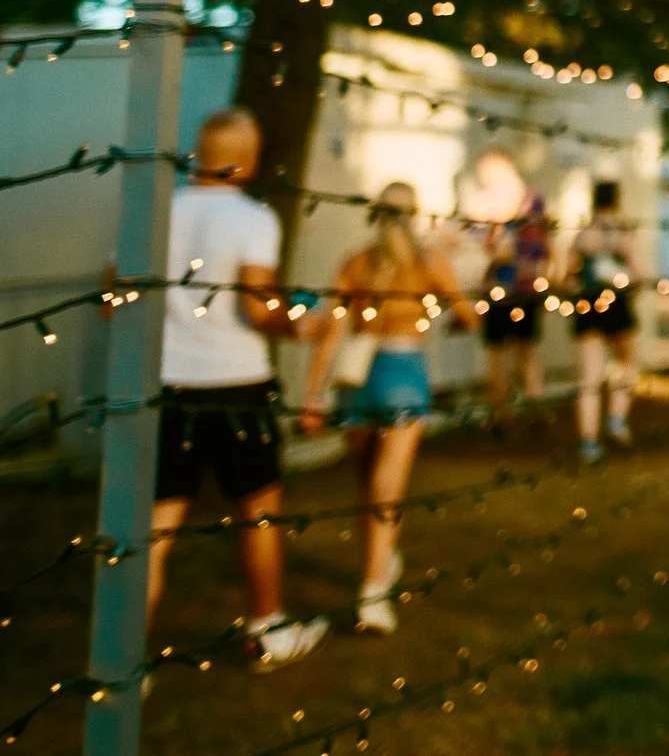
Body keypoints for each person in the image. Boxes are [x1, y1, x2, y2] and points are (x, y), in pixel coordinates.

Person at [149, 107, 329, 670]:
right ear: (245, 160)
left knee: (153, 529)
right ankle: (266, 631)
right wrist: (301, 320)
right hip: (236, 390)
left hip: (166, 389)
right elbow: (257, 307)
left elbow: (114, 300)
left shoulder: (154, 211)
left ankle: (124, 662)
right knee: (259, 513)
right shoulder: (252, 217)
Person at [299, 182, 475, 633]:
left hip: (356, 378)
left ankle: (376, 576)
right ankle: (374, 592)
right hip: (403, 371)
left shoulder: (355, 261)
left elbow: (333, 330)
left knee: (368, 486)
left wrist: (313, 394)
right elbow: (470, 314)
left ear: (375, 215)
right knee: (386, 486)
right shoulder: (428, 260)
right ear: (413, 215)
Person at [566, 180, 642, 462]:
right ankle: (617, 418)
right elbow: (638, 273)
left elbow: (567, 274)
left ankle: (588, 442)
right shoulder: (622, 233)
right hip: (617, 305)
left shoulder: (583, 235)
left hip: (587, 306)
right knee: (626, 363)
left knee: (589, 378)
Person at [473, 150, 550, 414]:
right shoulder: (486, 204)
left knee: (521, 349)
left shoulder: (529, 201)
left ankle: (526, 404)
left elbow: (539, 242)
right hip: (503, 288)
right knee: (504, 351)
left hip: (520, 287)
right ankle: (505, 408)